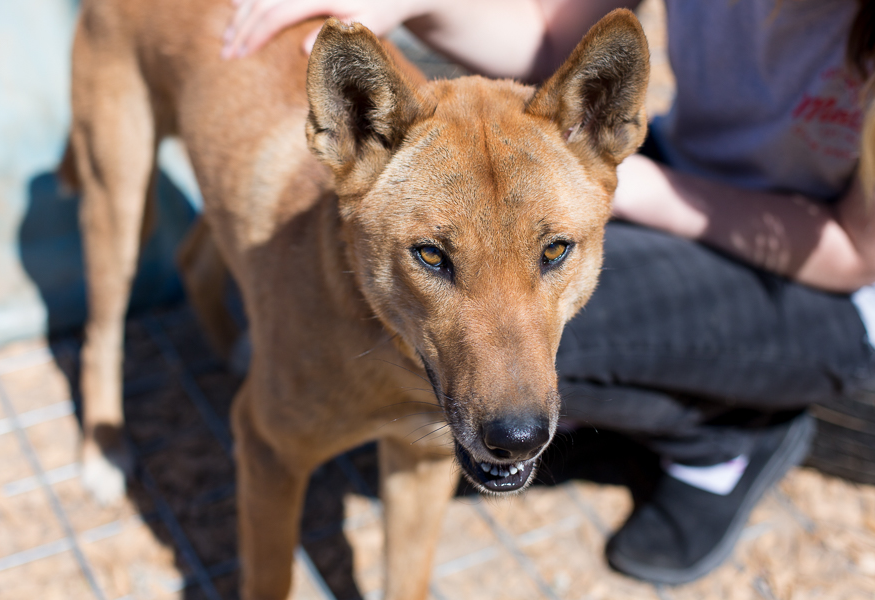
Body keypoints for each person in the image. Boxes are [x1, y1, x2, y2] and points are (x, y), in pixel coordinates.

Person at [222, 0, 875, 585]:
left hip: (835, 284)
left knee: (481, 368)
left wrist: (635, 189)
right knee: (429, 361)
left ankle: (729, 434)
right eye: (433, 257)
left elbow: (859, 250)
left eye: (554, 252)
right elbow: (550, 40)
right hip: (687, 176)